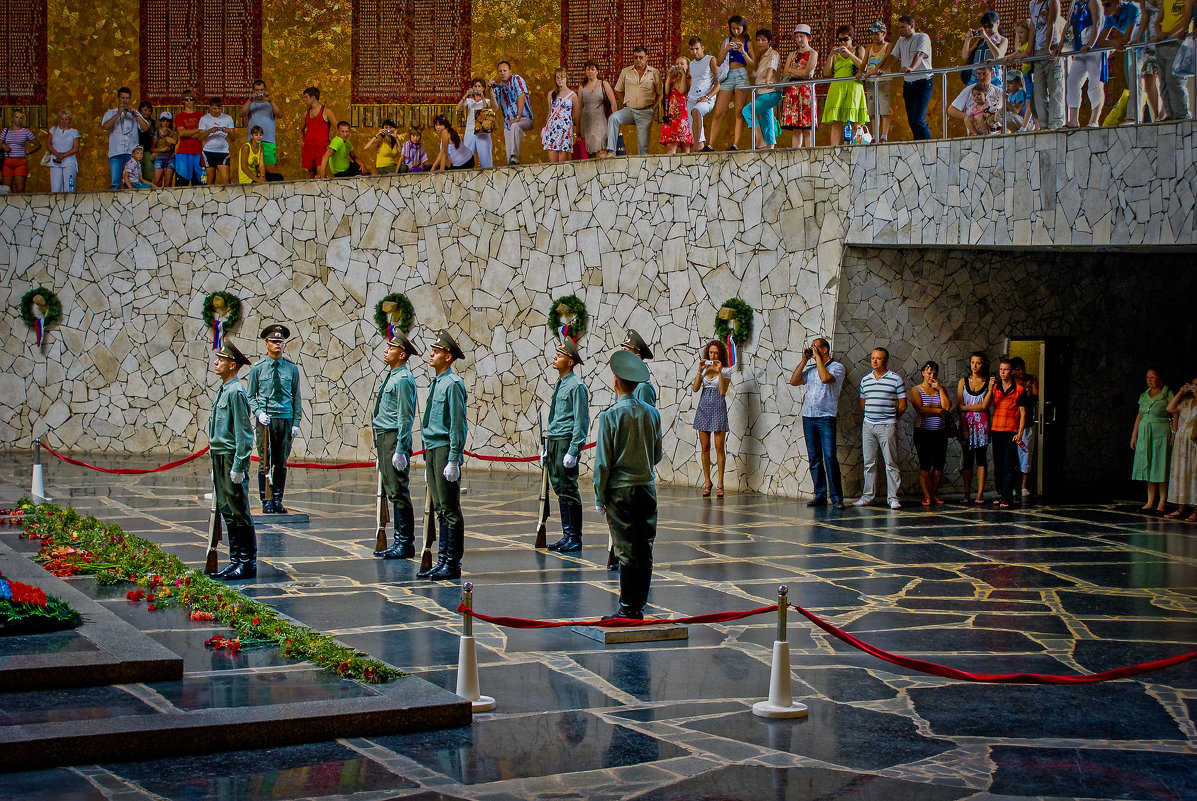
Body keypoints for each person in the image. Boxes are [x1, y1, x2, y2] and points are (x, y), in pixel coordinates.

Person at [594, 350, 663, 621]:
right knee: (644, 549)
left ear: (616, 382)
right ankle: (638, 607)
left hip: (621, 491)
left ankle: (626, 609)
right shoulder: (652, 414)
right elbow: (656, 455)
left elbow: (603, 462)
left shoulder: (610, 416)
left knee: (625, 551)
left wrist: (599, 495)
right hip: (646, 487)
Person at [417, 330, 469, 581]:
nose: (431, 354)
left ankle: (452, 562)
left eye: (436, 352)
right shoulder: (438, 382)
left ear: (448, 357)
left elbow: (458, 424)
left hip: (446, 449)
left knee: (449, 508)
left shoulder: (453, 384)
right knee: (439, 508)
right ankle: (442, 559)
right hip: (433, 449)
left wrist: (454, 458)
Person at [208, 341, 258, 581]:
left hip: (230, 458)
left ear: (233, 364)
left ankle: (247, 563)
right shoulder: (224, 389)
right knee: (227, 511)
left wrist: (239, 466)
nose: (216, 362)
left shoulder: (236, 392)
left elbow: (244, 435)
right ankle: (235, 560)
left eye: (221, 359)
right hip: (219, 457)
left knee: (239, 512)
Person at [245, 325, 304, 515]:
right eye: (274, 342)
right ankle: (266, 499)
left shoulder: (291, 368)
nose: (278, 345)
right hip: (265, 420)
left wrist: (296, 423)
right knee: (264, 461)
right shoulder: (258, 369)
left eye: (280, 342)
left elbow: (296, 397)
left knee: (281, 461)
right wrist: (258, 412)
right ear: (266, 344)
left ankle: (278, 498)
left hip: (284, 418)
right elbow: (250, 396)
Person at [372, 330, 420, 559]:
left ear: (402, 354)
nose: (386, 350)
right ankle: (398, 540)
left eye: (391, 348)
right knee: (392, 491)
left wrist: (401, 448)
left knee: (398, 491)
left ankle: (405, 542)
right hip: (384, 437)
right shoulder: (392, 376)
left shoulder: (402, 379)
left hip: (393, 438)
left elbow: (405, 417)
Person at [543, 339, 590, 553]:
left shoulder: (576, 386)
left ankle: (575, 537)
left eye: (560, 355)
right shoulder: (561, 383)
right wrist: (547, 445)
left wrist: (574, 450)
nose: (555, 358)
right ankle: (566, 534)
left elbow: (581, 420)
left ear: (570, 362)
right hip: (554, 439)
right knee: (560, 489)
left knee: (569, 489)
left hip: (565, 441)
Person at [789, 337, 846, 509]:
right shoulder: (812, 368)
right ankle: (820, 494)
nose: (812, 350)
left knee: (829, 456)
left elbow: (825, 378)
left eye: (815, 347)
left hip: (826, 417)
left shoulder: (837, 367)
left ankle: (836, 497)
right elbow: (794, 381)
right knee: (814, 458)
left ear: (825, 350)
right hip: (809, 416)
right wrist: (804, 360)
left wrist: (819, 359)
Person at [854, 347, 906, 509]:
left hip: (887, 425)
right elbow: (864, 404)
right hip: (869, 425)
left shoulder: (895, 379)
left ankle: (893, 498)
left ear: (886, 360)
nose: (874, 361)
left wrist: (890, 418)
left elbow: (903, 405)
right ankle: (867, 496)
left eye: (878, 358)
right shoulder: (865, 380)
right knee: (869, 462)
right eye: (872, 358)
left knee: (891, 462)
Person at [874, 16, 934, 140]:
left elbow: (920, 54)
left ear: (912, 26)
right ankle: (918, 144)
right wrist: (883, 70)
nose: (900, 30)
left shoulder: (922, 37)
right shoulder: (901, 40)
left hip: (923, 82)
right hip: (908, 84)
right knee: (912, 120)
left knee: (918, 118)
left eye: (903, 27)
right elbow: (893, 56)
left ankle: (928, 145)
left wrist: (911, 67)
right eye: (899, 27)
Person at [707, 15, 757, 151]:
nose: (736, 31)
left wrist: (743, 52)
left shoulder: (748, 42)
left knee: (739, 111)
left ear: (743, 28)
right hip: (727, 76)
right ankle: (710, 145)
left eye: (738, 29)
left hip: (741, 74)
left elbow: (753, 64)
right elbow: (718, 62)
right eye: (733, 28)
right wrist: (726, 49)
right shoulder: (727, 41)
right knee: (718, 112)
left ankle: (735, 144)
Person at [1131, 366, 1174, 513]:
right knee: (1149, 465)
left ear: (1161, 379)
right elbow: (1139, 415)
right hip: (1145, 432)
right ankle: (1150, 501)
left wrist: (1174, 435)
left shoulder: (1167, 394)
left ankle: (1162, 502)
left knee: (1160, 465)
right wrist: (1134, 435)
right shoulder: (1144, 395)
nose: (1149, 379)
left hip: (1161, 432)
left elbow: (1175, 414)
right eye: (1147, 377)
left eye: (1153, 377)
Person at [606, 46, 663, 156]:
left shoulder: (654, 73)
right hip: (629, 110)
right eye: (635, 57)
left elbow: (660, 94)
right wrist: (625, 103)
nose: (638, 60)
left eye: (641, 57)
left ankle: (643, 170)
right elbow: (618, 90)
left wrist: (653, 107)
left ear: (647, 58)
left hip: (646, 111)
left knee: (643, 146)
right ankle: (611, 152)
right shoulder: (626, 72)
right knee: (613, 118)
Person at [692, 340, 732, 497]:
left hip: (718, 408)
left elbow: (722, 391)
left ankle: (720, 483)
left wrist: (720, 372)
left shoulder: (726, 370)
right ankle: (708, 482)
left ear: (720, 354)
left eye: (716, 353)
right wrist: (699, 370)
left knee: (719, 446)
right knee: (705, 446)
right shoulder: (703, 369)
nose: (713, 355)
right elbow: (695, 389)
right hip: (703, 408)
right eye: (711, 352)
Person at [910, 360, 952, 506]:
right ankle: (926, 495)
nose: (931, 375)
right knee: (925, 464)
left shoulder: (941, 389)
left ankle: (934, 493)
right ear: (923, 373)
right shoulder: (916, 390)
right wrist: (938, 411)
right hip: (923, 431)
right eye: (929, 373)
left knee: (939, 464)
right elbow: (920, 409)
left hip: (940, 432)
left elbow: (946, 406)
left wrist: (939, 389)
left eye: (934, 373)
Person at [1061, 0, 1108, 127]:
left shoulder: (1093, 2)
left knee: (1095, 83)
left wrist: (1091, 44)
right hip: (1079, 49)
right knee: (1072, 81)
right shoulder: (1075, 4)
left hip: (1094, 48)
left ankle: (1094, 120)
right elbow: (1068, 26)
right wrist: (1061, 47)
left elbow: (1097, 23)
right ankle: (1073, 119)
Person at [821, 25, 870, 144]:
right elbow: (826, 72)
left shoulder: (859, 49)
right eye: (840, 40)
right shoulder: (836, 53)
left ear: (852, 38)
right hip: (837, 88)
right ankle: (835, 149)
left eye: (845, 39)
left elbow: (864, 67)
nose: (843, 42)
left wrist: (850, 54)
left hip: (853, 87)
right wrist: (831, 55)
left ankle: (857, 145)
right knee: (836, 121)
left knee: (854, 120)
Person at [990, 357, 1028, 508]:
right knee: (998, 464)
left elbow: (1023, 413)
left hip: (1011, 431)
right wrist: (989, 387)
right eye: (1001, 370)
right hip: (996, 429)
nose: (1002, 372)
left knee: (1008, 464)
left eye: (1005, 370)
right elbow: (989, 403)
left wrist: (1020, 432)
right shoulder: (995, 387)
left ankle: (1007, 497)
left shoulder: (1019, 389)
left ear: (1012, 372)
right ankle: (1001, 494)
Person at [957, 352, 995, 504]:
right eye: (972, 362)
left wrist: (967, 407)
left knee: (981, 458)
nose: (975, 365)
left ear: (983, 364)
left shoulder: (987, 383)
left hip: (982, 424)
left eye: (978, 363)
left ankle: (980, 494)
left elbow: (985, 405)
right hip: (967, 422)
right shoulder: (963, 381)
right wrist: (964, 425)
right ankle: (966, 493)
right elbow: (959, 406)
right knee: (967, 459)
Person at [1028, 0, 1066, 129]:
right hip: (1038, 51)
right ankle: (1043, 123)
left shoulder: (1052, 1)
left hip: (1052, 47)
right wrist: (1029, 50)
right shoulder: (1032, 3)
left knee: (1055, 87)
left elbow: (1052, 23)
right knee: (1039, 89)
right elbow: (1033, 26)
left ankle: (1056, 122)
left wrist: (1048, 47)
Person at [102, 87, 150, 190]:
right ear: (118, 98)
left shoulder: (134, 113)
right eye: (123, 98)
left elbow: (145, 128)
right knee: (115, 182)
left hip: (131, 153)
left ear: (130, 98)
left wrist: (136, 115)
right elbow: (105, 127)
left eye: (127, 98)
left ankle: (131, 204)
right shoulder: (110, 113)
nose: (125, 101)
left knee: (133, 181)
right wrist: (118, 113)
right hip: (116, 152)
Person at [780, 24, 819, 148]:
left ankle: (810, 152)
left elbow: (806, 73)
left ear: (809, 37)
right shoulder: (792, 54)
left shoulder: (813, 53)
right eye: (797, 37)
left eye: (802, 36)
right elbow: (785, 73)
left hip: (806, 91)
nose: (799, 39)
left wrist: (792, 70)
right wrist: (795, 72)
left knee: (808, 127)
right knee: (795, 128)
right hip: (792, 91)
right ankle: (795, 153)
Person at [1153, 0, 1194, 121]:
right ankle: (1169, 113)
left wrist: (1169, 35)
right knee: (1163, 80)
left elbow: (1186, 21)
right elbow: (1158, 20)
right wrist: (1160, 33)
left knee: (1174, 80)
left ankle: (1181, 113)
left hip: (1177, 42)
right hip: (1162, 43)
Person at [742, 29, 783, 149]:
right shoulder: (760, 57)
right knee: (767, 121)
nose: (760, 43)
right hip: (762, 93)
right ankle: (770, 149)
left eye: (763, 40)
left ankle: (759, 140)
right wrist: (743, 52)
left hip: (771, 92)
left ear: (769, 42)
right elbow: (756, 71)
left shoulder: (773, 54)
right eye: (758, 40)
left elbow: (771, 68)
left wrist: (768, 79)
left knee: (747, 111)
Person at [1165, 374, 1197, 521]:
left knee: (1194, 474)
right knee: (1181, 473)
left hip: (1194, 443)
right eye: (1193, 385)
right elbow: (1170, 408)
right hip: (1181, 442)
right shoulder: (1186, 402)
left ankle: (1196, 509)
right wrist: (1180, 393)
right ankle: (1181, 507)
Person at [491, 61, 534, 165]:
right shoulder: (498, 88)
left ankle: (514, 156)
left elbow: (521, 96)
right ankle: (512, 161)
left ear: (510, 71)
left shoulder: (516, 79)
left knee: (515, 125)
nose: (502, 73)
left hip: (524, 118)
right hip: (508, 124)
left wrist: (518, 116)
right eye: (500, 71)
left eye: (505, 70)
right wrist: (491, 91)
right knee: (509, 160)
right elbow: (495, 108)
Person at [1010, 356, 1040, 496]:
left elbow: (1035, 397)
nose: (1021, 372)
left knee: (1026, 454)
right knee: (1012, 457)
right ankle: (1013, 485)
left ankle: (1024, 485)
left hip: (1027, 423)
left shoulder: (1031, 380)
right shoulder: (1009, 383)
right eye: (1018, 369)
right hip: (1012, 424)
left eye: (1023, 368)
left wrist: (1026, 392)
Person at [241, 79, 282, 180]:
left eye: (262, 90)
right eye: (257, 90)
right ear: (253, 91)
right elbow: (242, 114)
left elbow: (280, 114)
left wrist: (270, 100)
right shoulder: (250, 103)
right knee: (253, 170)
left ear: (265, 90)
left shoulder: (270, 103)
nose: (259, 92)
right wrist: (250, 100)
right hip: (253, 143)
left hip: (268, 141)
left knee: (270, 170)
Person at [949, 65, 1006, 133]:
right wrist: (969, 117)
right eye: (979, 74)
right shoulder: (969, 90)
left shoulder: (999, 92)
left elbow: (1008, 111)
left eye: (984, 73)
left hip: (995, 133)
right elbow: (951, 110)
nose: (981, 77)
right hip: (976, 129)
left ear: (992, 73)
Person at [687, 38, 720, 151]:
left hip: (707, 98)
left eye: (697, 48)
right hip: (692, 98)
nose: (695, 52)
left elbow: (719, 83)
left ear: (702, 48)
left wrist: (707, 97)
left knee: (697, 111)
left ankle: (696, 147)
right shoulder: (691, 64)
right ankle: (700, 150)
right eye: (692, 49)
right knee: (694, 131)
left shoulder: (711, 60)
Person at [961, 11, 1010, 87]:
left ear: (997, 23)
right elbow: (965, 56)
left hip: (993, 79)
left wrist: (987, 38)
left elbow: (998, 55)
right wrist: (967, 40)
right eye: (984, 27)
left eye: (990, 26)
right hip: (975, 79)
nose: (987, 29)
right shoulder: (980, 41)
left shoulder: (1002, 40)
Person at [579, 61, 617, 158]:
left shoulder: (603, 84)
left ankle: (603, 172)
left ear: (597, 71)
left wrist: (615, 121)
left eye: (593, 69)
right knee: (590, 151)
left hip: (601, 120)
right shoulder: (582, 87)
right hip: (587, 121)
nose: (590, 72)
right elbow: (579, 107)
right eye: (588, 69)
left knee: (602, 149)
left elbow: (613, 102)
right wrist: (578, 126)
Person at [542, 68, 581, 162]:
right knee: (553, 162)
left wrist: (578, 131)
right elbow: (549, 112)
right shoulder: (551, 94)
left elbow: (576, 116)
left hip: (565, 129)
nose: (560, 80)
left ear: (566, 78)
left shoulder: (573, 95)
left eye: (562, 77)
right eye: (558, 78)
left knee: (562, 162)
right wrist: (546, 128)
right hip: (552, 128)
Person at [863, 21, 893, 141]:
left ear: (883, 33)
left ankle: (884, 135)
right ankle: (874, 135)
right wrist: (861, 72)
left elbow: (885, 61)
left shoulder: (888, 46)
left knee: (884, 109)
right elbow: (864, 62)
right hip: (871, 82)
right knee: (873, 110)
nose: (874, 36)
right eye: (872, 34)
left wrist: (873, 71)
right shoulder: (869, 48)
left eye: (877, 33)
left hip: (884, 81)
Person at [458, 78, 497, 168]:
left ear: (483, 88)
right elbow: (458, 109)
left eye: (479, 86)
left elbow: (486, 109)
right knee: (467, 158)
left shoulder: (487, 101)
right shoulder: (468, 101)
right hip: (470, 130)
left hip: (483, 131)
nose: (477, 88)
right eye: (475, 86)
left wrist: (482, 97)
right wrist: (466, 95)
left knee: (485, 157)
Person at [301, 87, 338, 178]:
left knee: (321, 173)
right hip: (308, 147)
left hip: (321, 147)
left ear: (313, 97)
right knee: (312, 175)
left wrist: (332, 144)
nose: (304, 100)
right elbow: (300, 129)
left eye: (306, 97)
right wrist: (301, 141)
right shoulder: (306, 113)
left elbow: (338, 130)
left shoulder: (327, 112)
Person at [1, 110, 40, 194]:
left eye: (21, 118)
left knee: (20, 188)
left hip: (20, 162)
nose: (19, 119)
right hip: (7, 161)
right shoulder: (6, 130)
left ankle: (20, 206)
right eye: (17, 117)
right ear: (12, 118)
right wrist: (4, 146)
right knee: (6, 189)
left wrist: (28, 152)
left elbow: (38, 144)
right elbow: (0, 143)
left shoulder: (25, 131)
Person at [660, 57, 694, 154]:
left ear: (687, 66)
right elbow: (666, 93)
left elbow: (683, 91)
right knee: (671, 146)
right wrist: (669, 77)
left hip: (684, 116)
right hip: (672, 116)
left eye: (682, 64)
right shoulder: (672, 81)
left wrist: (683, 75)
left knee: (685, 146)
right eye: (677, 64)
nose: (679, 66)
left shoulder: (689, 79)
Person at [198, 98, 236, 185]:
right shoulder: (204, 119)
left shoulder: (228, 118)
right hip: (208, 151)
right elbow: (200, 137)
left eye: (219, 109)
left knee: (227, 180)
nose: (217, 111)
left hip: (223, 151)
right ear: (210, 107)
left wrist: (229, 131)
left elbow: (233, 138)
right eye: (215, 109)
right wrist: (209, 131)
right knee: (210, 179)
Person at [173, 91, 205, 187]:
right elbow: (182, 133)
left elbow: (203, 135)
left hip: (199, 152)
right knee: (181, 184)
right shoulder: (179, 116)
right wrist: (197, 131)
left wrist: (189, 132)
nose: (189, 101)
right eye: (186, 99)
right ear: (183, 101)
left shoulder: (201, 117)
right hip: (183, 153)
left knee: (201, 183)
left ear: (195, 101)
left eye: (191, 99)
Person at [44, 109, 80, 193]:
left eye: (66, 119)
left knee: (69, 188)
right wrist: (57, 154)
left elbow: (76, 148)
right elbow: (48, 144)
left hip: (69, 162)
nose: (64, 121)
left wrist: (64, 155)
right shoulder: (53, 130)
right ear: (59, 119)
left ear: (69, 120)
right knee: (56, 188)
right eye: (62, 119)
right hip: (55, 162)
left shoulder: (74, 132)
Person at [621, 329, 657, 406]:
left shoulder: (643, 388)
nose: (621, 355)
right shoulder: (622, 383)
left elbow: (647, 416)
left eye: (625, 350)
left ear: (637, 358)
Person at [150, 112, 177, 187]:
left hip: (170, 158)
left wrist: (164, 137)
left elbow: (174, 141)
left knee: (168, 184)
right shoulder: (156, 134)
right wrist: (162, 150)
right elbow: (152, 149)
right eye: (163, 121)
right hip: (159, 158)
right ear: (160, 122)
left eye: (168, 121)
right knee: (157, 183)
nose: (165, 123)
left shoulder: (173, 133)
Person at [137, 101, 156, 181]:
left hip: (149, 152)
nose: (147, 112)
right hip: (137, 151)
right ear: (140, 111)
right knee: (138, 175)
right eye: (145, 110)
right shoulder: (136, 121)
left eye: (149, 111)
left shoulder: (153, 123)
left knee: (148, 175)